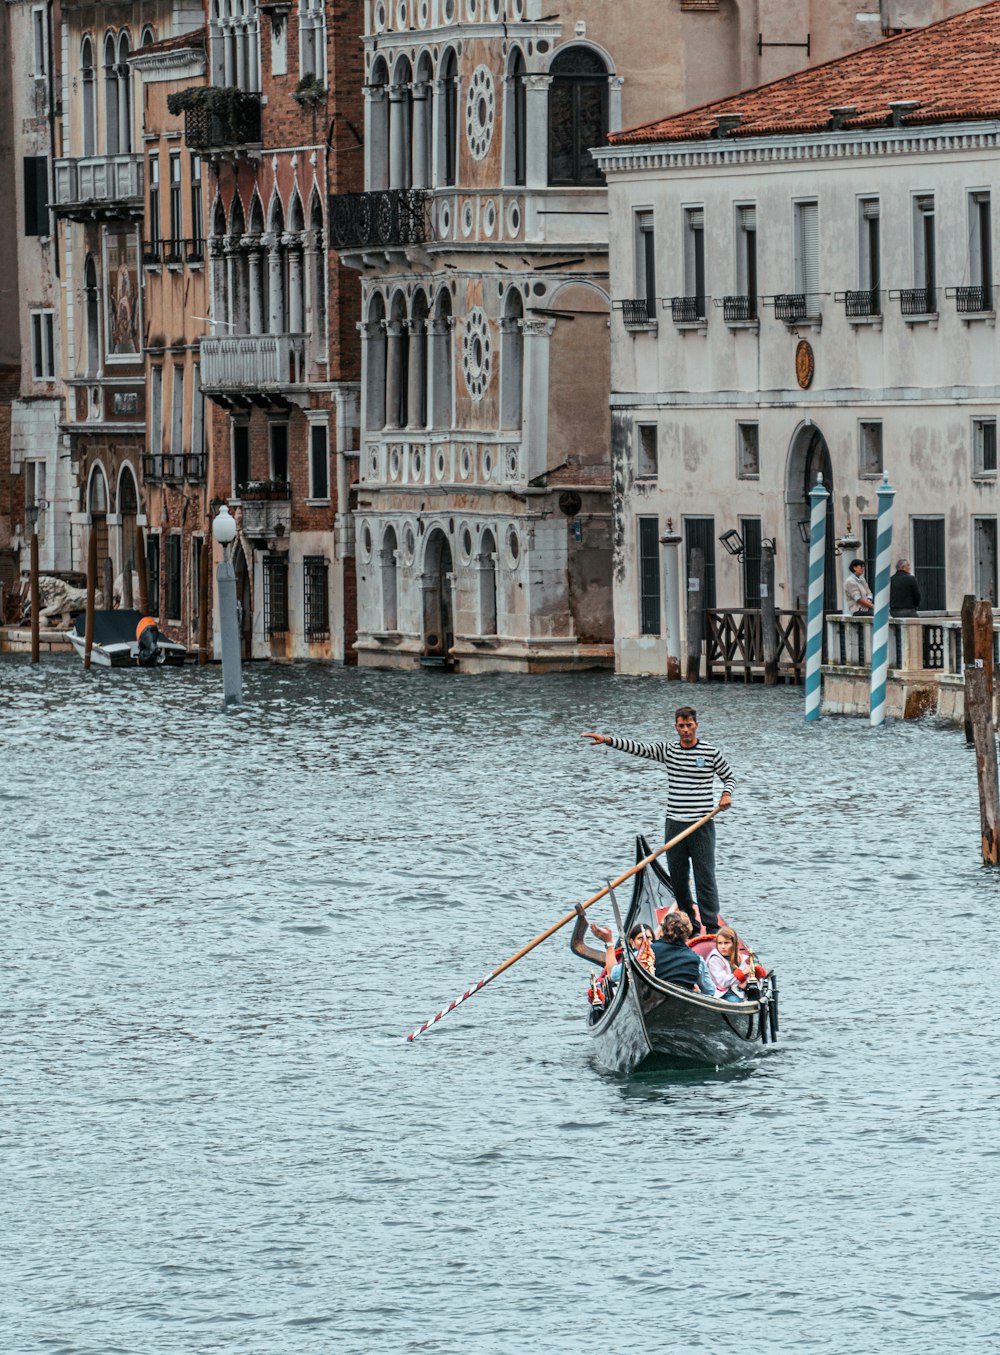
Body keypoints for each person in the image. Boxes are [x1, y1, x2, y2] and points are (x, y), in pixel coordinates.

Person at [581, 707, 734, 933]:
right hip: (675, 824)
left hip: (702, 825)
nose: (685, 730)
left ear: (696, 725)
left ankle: (711, 927)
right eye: (681, 726)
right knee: (679, 878)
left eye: (689, 725)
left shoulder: (710, 752)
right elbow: (639, 748)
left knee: (705, 877)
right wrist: (607, 739)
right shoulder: (668, 750)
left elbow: (728, 777)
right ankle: (689, 924)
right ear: (676, 727)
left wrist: (726, 794)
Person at [650, 910, 716, 994]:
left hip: (656, 997)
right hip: (684, 1002)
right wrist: (698, 993)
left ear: (663, 930)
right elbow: (710, 991)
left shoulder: (650, 950)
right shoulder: (697, 959)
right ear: (688, 931)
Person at [706, 925, 747, 1003]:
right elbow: (723, 983)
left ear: (734, 944)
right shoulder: (714, 960)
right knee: (736, 1002)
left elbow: (746, 978)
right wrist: (742, 974)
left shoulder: (740, 958)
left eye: (726, 943)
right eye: (720, 943)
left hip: (738, 991)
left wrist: (745, 982)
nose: (723, 947)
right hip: (721, 993)